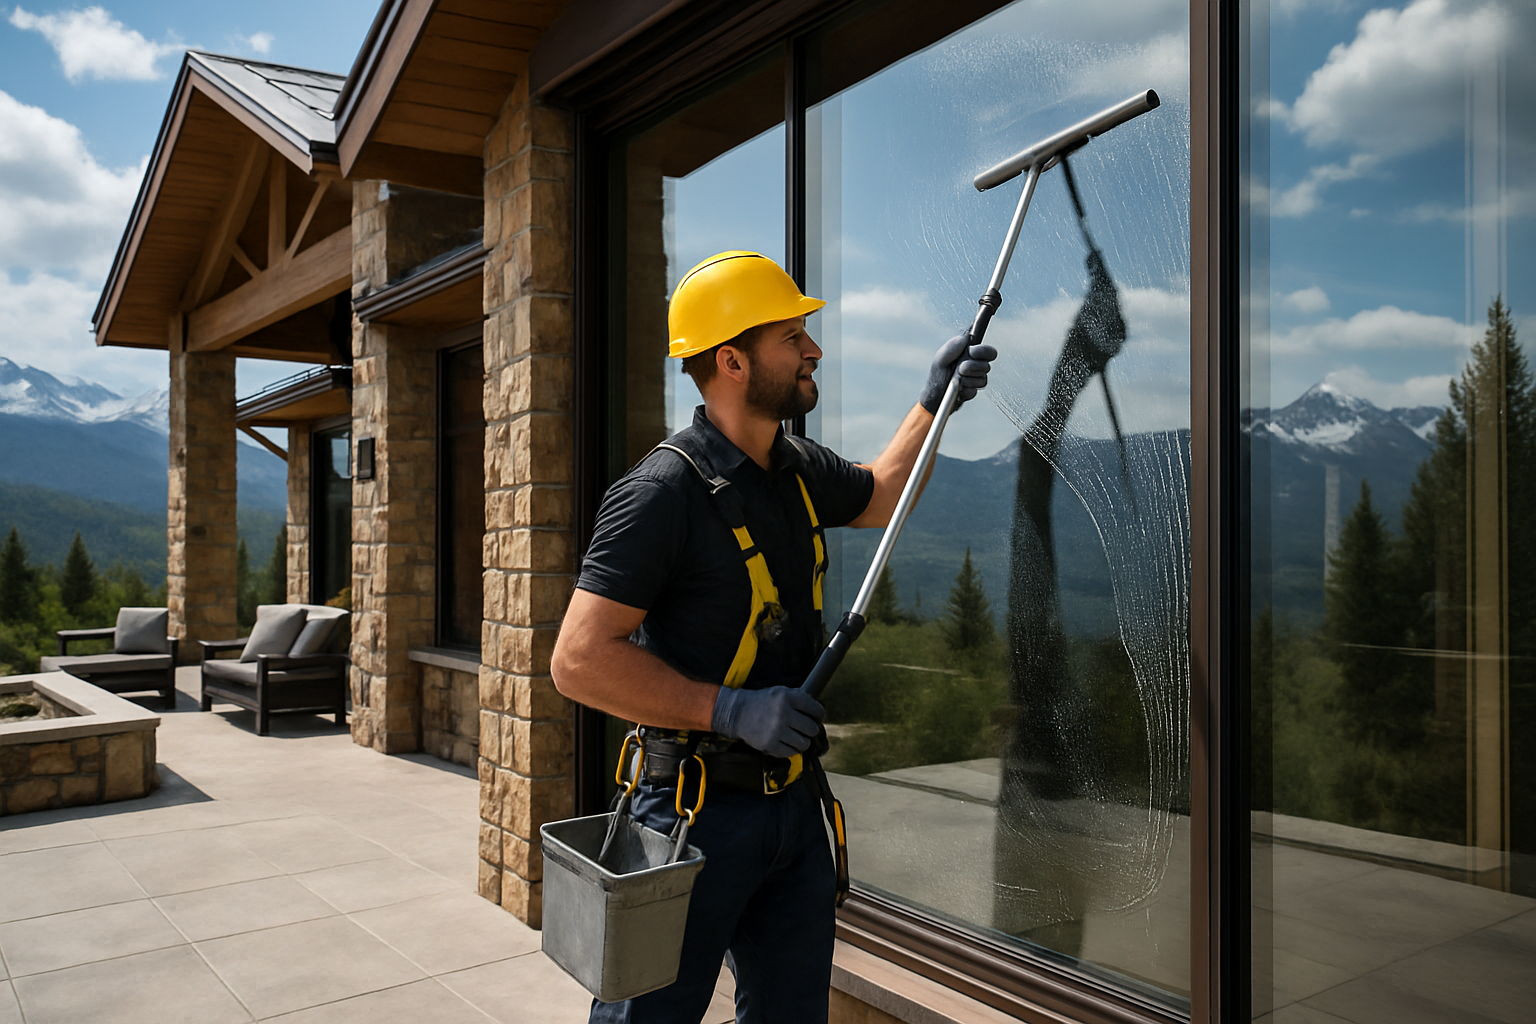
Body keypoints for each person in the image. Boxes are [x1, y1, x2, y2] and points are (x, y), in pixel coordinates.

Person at [551, 250, 995, 1024]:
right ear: (731, 360)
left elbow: (882, 495)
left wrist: (936, 401)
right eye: (793, 337)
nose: (813, 351)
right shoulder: (660, 493)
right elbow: (578, 661)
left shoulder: (792, 467)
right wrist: (729, 710)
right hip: (691, 818)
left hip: (792, 812)